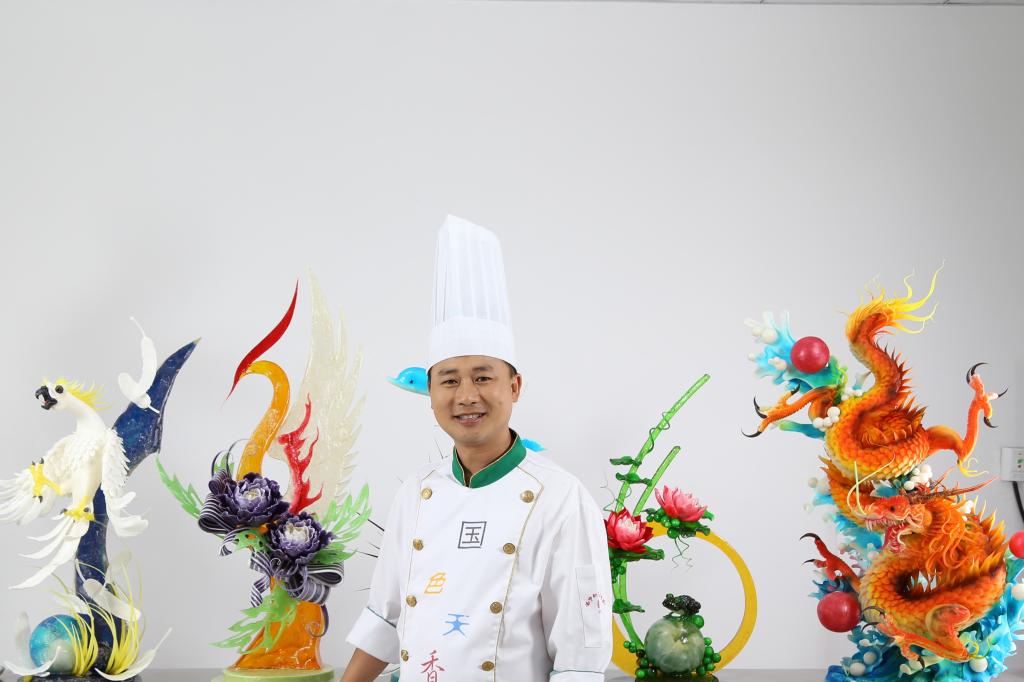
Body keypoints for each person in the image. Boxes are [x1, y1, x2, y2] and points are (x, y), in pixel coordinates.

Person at [341, 216, 613, 681]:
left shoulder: (562, 498)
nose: (467, 396)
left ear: (515, 386)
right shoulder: (416, 491)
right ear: (431, 394)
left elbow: (578, 661)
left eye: (483, 377)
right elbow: (385, 623)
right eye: (450, 381)